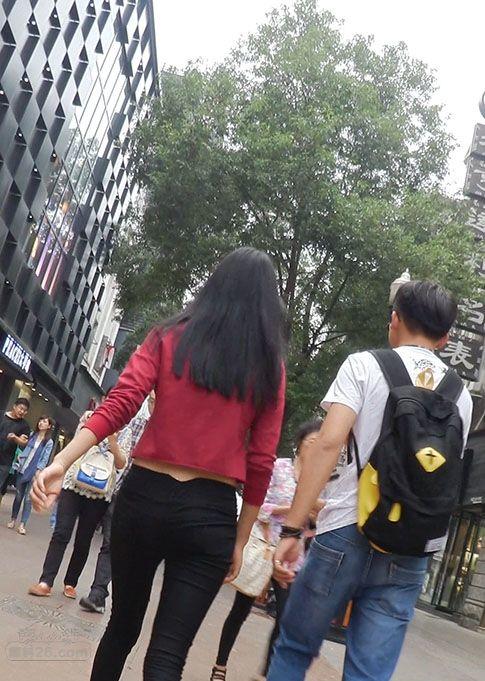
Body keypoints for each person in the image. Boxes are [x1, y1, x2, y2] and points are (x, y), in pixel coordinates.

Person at [31, 247, 287, 681]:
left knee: (121, 629)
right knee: (169, 652)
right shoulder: (268, 367)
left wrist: (63, 460)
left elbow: (121, 402)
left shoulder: (168, 337)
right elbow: (261, 461)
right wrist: (241, 539)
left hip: (144, 498)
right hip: (210, 513)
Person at [267, 280, 473, 681]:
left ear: (395, 320)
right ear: (446, 338)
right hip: (412, 546)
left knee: (294, 648)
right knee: (369, 674)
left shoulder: (364, 365)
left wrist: (293, 527)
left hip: (347, 528)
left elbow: (328, 444)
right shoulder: (460, 395)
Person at [210, 419, 324, 681]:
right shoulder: (279, 468)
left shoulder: (319, 481)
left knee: (284, 616)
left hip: (291, 558)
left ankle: (265, 673)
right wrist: (294, 508)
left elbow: (316, 524)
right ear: (300, 444)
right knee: (240, 610)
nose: (315, 448)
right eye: (311, 442)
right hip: (263, 548)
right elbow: (259, 507)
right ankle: (220, 665)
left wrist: (313, 517)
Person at [28, 425, 127, 599]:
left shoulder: (126, 431)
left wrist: (113, 442)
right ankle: (46, 581)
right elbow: (75, 448)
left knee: (84, 539)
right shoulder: (91, 419)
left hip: (99, 492)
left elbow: (121, 464)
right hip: (73, 484)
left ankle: (71, 582)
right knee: (61, 533)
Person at [79, 392, 156, 614]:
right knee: (110, 544)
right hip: (125, 492)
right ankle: (98, 594)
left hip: (154, 501)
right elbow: (123, 458)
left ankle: (127, 605)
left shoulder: (173, 429)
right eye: (151, 399)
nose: (154, 403)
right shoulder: (138, 422)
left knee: (141, 553)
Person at [7, 416, 54, 534]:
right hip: (22, 469)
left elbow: (45, 459)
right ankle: (13, 519)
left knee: (28, 500)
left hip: (34, 473)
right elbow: (24, 446)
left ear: (49, 426)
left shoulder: (48, 442)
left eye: (44, 421)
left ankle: (22, 524)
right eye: (41, 420)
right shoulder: (32, 435)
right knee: (18, 497)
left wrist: (38, 471)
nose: (41, 423)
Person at [0, 398, 30, 503]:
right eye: (21, 408)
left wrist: (15, 438)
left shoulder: (24, 426)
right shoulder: (2, 415)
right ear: (14, 406)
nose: (22, 412)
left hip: (5, 461)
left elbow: (24, 442)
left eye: (25, 411)